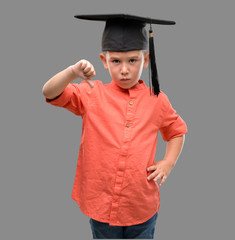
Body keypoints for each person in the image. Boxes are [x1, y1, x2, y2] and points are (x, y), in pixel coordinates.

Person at [42, 14, 187, 239]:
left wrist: (168, 162)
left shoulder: (157, 100)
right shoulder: (91, 93)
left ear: (146, 60)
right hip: (101, 203)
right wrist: (72, 72)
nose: (125, 70)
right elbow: (50, 92)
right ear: (104, 60)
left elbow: (177, 131)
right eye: (116, 61)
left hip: (140, 204)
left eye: (132, 60)